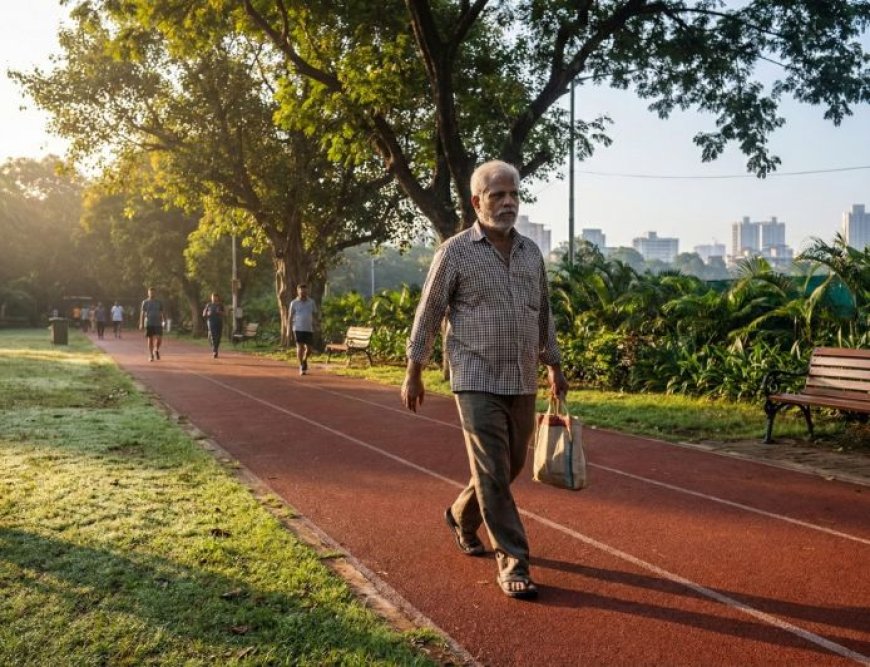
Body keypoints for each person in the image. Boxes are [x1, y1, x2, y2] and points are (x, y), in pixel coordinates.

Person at [401, 160, 568, 600]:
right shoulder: (455, 252)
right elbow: (429, 311)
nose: (508, 201)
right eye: (498, 195)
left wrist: (554, 363)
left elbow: (543, 314)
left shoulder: (531, 253)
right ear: (477, 202)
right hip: (474, 375)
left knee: (509, 465)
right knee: (493, 469)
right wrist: (413, 369)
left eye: (513, 193)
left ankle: (461, 515)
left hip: (521, 376)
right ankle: (514, 559)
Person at [289, 283, 317, 375]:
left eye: (305, 291)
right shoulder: (294, 303)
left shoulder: (311, 302)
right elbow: (290, 316)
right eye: (301, 291)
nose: (303, 293)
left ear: (307, 291)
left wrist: (317, 324)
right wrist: (288, 330)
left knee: (309, 349)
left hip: (308, 328)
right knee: (300, 347)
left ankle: (305, 360)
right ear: (298, 291)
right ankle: (301, 365)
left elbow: (315, 314)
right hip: (298, 327)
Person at [139, 287, 165, 361]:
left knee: (159, 339)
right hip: (149, 322)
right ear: (148, 293)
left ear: (155, 293)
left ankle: (156, 349)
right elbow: (142, 313)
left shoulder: (159, 302)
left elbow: (162, 312)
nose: (151, 294)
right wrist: (141, 323)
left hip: (158, 323)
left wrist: (163, 321)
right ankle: (150, 355)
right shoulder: (145, 302)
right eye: (150, 292)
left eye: (153, 292)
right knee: (150, 339)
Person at [202, 293, 225, 358]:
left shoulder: (220, 305)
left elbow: (225, 314)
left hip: (219, 322)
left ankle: (215, 349)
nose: (214, 298)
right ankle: (215, 350)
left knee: (218, 336)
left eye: (215, 297)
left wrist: (220, 312)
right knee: (212, 335)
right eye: (213, 297)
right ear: (211, 298)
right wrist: (207, 313)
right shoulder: (208, 305)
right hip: (211, 322)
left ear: (218, 298)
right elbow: (203, 314)